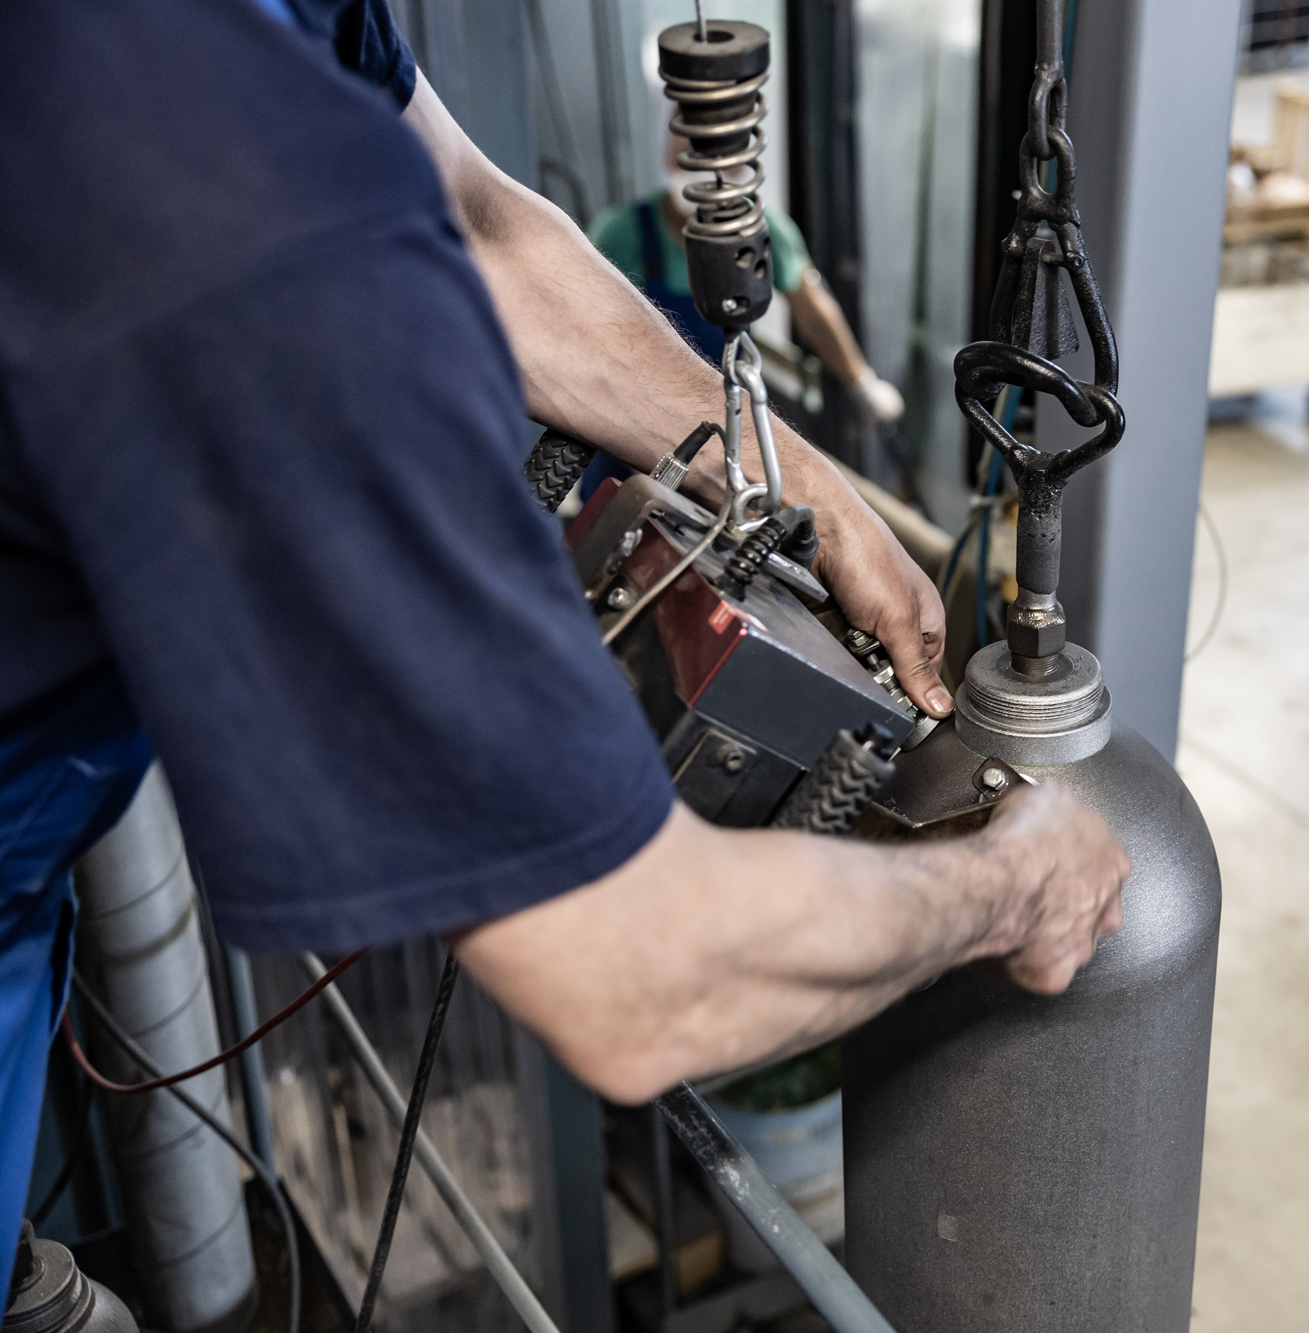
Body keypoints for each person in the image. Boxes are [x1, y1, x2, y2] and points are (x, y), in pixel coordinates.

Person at [0, 0, 1128, 1289]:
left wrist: (785, 469)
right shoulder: (215, 186)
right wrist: (1013, 890)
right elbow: (645, 975)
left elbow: (477, 223)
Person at [587, 147, 905, 429]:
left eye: (719, 152)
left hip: (724, 420)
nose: (705, 163)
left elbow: (811, 308)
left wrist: (861, 383)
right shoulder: (619, 232)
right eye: (691, 143)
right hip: (630, 421)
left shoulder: (760, 230)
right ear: (669, 147)